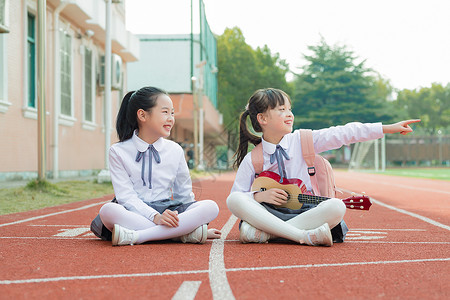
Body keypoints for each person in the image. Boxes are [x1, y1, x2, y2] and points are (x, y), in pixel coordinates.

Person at [227, 88, 420, 247]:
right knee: (234, 199)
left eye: (289, 109)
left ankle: (268, 235)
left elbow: (344, 132)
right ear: (263, 119)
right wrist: (259, 197)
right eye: (281, 109)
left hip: (307, 213)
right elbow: (237, 198)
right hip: (269, 215)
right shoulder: (254, 159)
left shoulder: (304, 140)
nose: (289, 114)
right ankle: (303, 236)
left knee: (336, 206)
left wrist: (386, 128)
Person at [97, 86, 221, 246]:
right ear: (142, 115)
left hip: (169, 211)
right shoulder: (118, 151)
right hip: (135, 212)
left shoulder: (175, 150)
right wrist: (157, 217)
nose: (171, 118)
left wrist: (191, 217)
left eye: (172, 113)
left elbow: (184, 195)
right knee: (108, 211)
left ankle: (138, 236)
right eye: (165, 112)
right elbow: (126, 197)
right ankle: (180, 234)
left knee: (211, 207)